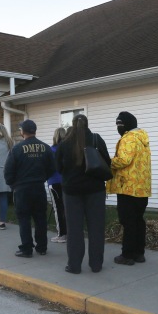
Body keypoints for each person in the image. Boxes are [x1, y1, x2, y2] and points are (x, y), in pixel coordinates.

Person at [55, 114, 111, 273]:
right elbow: (107, 162)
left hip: (72, 191)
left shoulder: (64, 143)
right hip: (95, 190)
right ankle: (96, 265)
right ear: (87, 124)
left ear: (72, 125)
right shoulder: (96, 139)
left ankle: (74, 266)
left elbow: (58, 168)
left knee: (74, 230)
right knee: (96, 228)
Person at [4, 120, 55, 257]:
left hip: (22, 189)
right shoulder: (45, 148)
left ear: (22, 131)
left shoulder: (17, 148)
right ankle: (42, 247)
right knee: (40, 218)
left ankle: (26, 249)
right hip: (38, 187)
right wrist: (43, 178)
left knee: (24, 219)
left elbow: (8, 171)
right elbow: (52, 167)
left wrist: (13, 185)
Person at [108, 111, 152, 265]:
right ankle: (139, 253)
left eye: (119, 124)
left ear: (126, 125)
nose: (118, 127)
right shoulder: (143, 138)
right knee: (138, 220)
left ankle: (127, 255)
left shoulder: (128, 138)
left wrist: (108, 161)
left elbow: (123, 160)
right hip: (142, 188)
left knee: (128, 221)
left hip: (128, 187)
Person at [48, 127, 67, 243]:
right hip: (66, 181)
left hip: (54, 181)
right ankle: (69, 232)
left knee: (58, 208)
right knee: (66, 208)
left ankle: (62, 234)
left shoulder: (52, 150)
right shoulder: (67, 149)